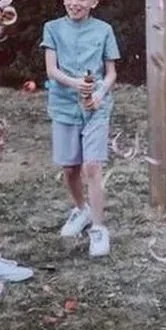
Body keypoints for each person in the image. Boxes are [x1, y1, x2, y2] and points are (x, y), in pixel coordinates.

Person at [40, 0, 120, 257]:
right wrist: (75, 83)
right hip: (64, 106)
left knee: (92, 166)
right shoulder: (52, 28)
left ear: (94, 2)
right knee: (70, 167)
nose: (74, 3)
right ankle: (81, 209)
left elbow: (110, 74)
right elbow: (52, 70)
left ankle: (98, 228)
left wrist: (100, 93)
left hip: (96, 108)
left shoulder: (104, 30)